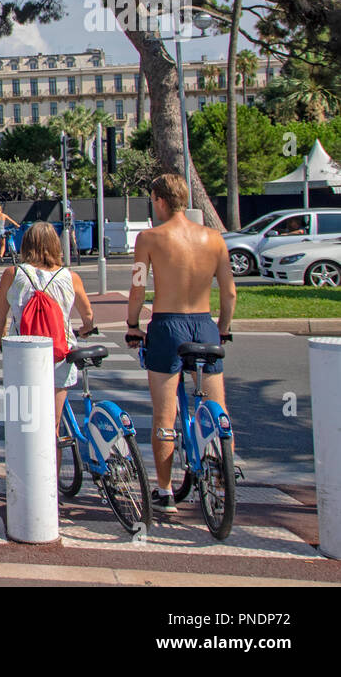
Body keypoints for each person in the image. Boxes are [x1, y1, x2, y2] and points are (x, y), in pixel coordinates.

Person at [125, 173, 236, 515]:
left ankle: (164, 490)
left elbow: (139, 287)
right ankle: (223, 480)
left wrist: (132, 325)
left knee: (165, 415)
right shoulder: (214, 238)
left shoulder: (149, 238)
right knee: (220, 410)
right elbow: (230, 292)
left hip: (167, 325)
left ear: (159, 200)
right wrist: (222, 328)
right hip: (204, 325)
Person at [0, 221, 96, 445]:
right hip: (60, 353)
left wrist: (2, 339)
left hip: (23, 353)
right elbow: (88, 315)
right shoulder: (71, 277)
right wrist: (86, 329)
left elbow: (0, 315)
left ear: (26, 245)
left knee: (27, 422)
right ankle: (53, 479)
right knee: (53, 426)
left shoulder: (12, 274)